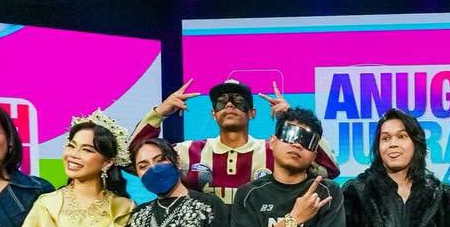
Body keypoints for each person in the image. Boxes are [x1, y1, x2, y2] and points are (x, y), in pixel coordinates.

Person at [130, 79, 340, 203]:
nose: (229, 105)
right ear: (213, 114)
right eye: (221, 103)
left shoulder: (273, 151)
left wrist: (290, 118)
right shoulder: (188, 151)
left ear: (252, 113)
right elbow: (133, 158)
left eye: (239, 102)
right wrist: (159, 113)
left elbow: (328, 169)